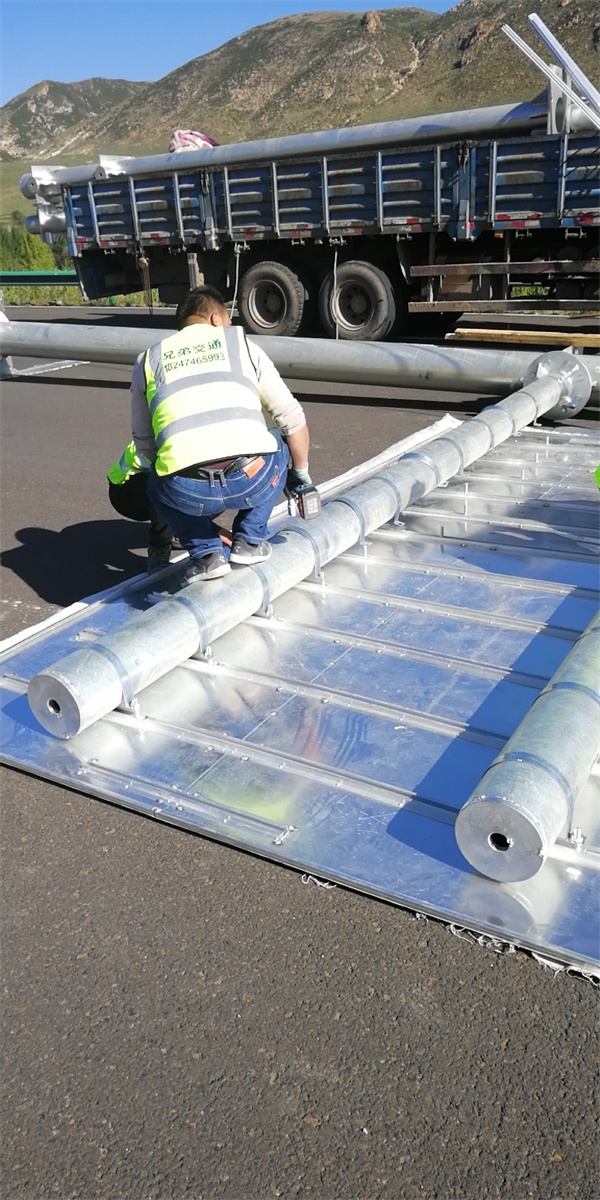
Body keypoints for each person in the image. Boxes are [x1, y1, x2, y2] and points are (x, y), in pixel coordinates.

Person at [128, 285, 311, 581]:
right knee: (279, 440)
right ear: (215, 318)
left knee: (155, 482)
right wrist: (300, 476)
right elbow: (292, 419)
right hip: (251, 478)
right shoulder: (243, 346)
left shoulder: (148, 360)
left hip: (186, 490)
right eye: (228, 320)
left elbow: (144, 443)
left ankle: (206, 554)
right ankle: (250, 540)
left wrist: (171, 479)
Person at [106, 441, 177, 574]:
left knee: (214, 485)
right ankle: (158, 552)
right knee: (170, 488)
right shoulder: (172, 440)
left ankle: (180, 532)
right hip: (125, 491)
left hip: (152, 481)